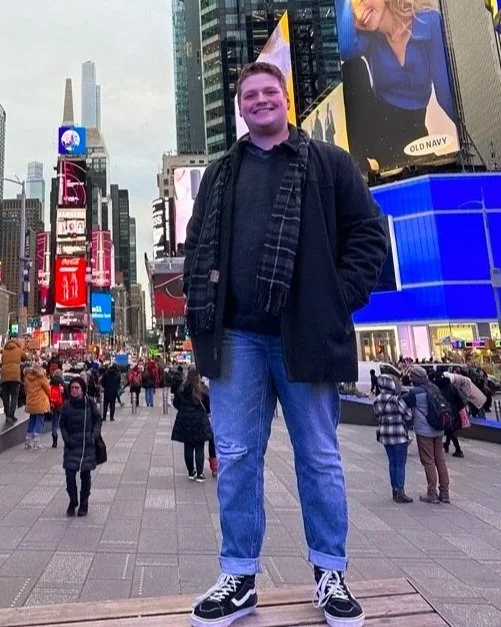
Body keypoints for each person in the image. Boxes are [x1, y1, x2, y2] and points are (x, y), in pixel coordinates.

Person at [184, 61, 387, 627]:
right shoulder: (223, 173)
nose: (261, 101)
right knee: (239, 458)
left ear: (286, 100)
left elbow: (368, 232)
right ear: (240, 108)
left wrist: (337, 296)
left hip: (304, 335)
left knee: (319, 458)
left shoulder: (328, 162)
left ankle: (329, 573)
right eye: (250, 95)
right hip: (236, 338)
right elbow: (198, 243)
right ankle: (239, 577)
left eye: (270, 91)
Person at [335, 0, 456, 168]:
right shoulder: (368, 38)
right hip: (376, 128)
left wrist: (474, 137)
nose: (361, 15)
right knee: (353, 68)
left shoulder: (428, 23)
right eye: (352, 13)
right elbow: (345, 48)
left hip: (413, 132)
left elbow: (446, 95)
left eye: (361, 0)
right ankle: (359, 173)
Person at [403, 366, 450, 504]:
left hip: (424, 431)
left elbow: (404, 402)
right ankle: (445, 492)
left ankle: (432, 493)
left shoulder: (415, 393)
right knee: (440, 460)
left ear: (415, 378)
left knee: (428, 461)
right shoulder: (434, 388)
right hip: (439, 429)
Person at [59, 377, 102, 517]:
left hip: (86, 445)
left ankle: (84, 502)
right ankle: (73, 500)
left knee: (85, 475)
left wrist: (94, 435)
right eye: (72, 388)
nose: (74, 390)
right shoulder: (66, 406)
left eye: (77, 388)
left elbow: (97, 420)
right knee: (69, 475)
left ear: (82, 389)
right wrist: (66, 439)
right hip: (71, 445)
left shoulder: (89, 404)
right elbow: (62, 424)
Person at [373, 374, 413, 503]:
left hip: (385, 435)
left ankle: (394, 490)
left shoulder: (377, 400)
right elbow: (408, 415)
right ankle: (400, 491)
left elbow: (377, 416)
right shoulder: (396, 399)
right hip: (399, 435)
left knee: (392, 462)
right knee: (400, 463)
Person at [171, 367, 213, 482]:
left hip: (185, 420)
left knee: (188, 446)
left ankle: (191, 471)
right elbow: (208, 408)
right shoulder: (203, 390)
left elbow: (176, 403)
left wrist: (184, 409)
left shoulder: (182, 388)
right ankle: (200, 474)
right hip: (199, 421)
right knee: (199, 447)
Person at [429, 371, 465, 458]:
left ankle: (458, 450)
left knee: (450, 429)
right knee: (450, 428)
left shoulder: (436, 387)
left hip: (444, 410)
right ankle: (447, 445)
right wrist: (458, 408)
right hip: (454, 410)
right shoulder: (451, 385)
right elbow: (460, 398)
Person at [1, 336, 28, 423]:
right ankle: (11, 415)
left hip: (4, 375)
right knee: (14, 396)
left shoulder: (4, 351)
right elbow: (25, 358)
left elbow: (3, 361)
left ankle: (7, 414)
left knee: (5, 396)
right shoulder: (19, 350)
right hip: (15, 376)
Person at [24, 365, 51, 449]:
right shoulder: (41, 377)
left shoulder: (26, 377)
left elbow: (25, 390)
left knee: (32, 420)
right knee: (39, 421)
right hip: (40, 403)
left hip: (31, 402)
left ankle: (28, 441)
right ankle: (36, 441)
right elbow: (48, 389)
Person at [49, 369, 65, 448]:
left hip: (54, 406)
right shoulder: (62, 384)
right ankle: (66, 438)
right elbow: (66, 396)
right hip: (62, 406)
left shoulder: (51, 383)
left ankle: (54, 441)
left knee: (54, 424)